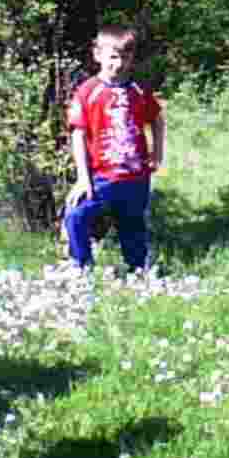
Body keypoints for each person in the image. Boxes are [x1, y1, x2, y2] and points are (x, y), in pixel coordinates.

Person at [63, 25, 165, 274]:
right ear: (98, 55)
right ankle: (81, 268)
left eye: (125, 57)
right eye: (113, 57)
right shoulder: (88, 91)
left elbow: (157, 119)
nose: (118, 64)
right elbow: (78, 134)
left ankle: (138, 274)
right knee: (76, 216)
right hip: (101, 177)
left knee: (132, 228)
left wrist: (157, 154)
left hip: (135, 176)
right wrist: (83, 179)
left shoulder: (138, 90)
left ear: (132, 58)